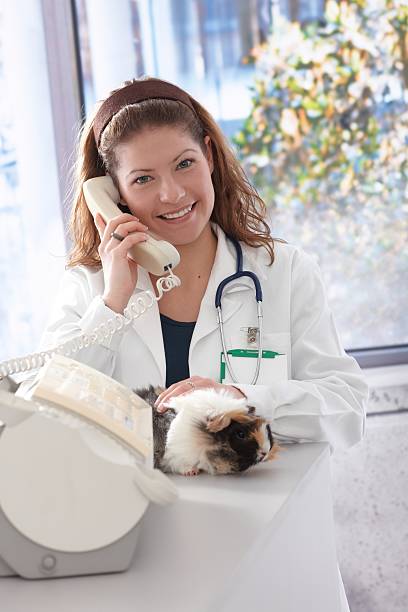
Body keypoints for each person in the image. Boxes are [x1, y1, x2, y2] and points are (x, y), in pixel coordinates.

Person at [36, 76, 367, 450]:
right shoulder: (90, 286)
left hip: (263, 509)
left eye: (184, 164)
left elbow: (347, 409)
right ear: (113, 194)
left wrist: (238, 399)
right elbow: (46, 413)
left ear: (208, 155)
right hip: (135, 509)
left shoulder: (284, 272)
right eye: (143, 178)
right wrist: (113, 304)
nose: (172, 194)